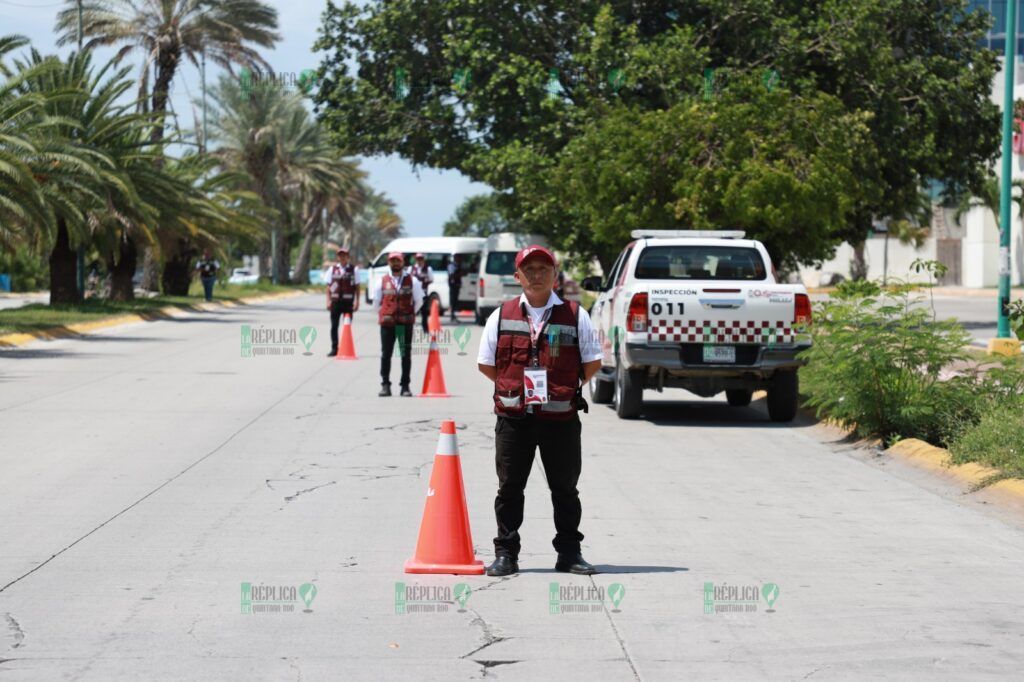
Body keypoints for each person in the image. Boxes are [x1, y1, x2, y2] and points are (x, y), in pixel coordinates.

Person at [476, 245, 603, 577]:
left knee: (565, 489)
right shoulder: (500, 315)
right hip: (514, 418)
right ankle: (506, 554)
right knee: (509, 489)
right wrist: (513, 388)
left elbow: (592, 363)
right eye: (528, 269)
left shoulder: (576, 315)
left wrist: (562, 390)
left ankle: (569, 553)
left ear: (555, 276)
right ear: (517, 276)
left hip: (560, 419)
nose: (536, 275)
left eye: (543, 269)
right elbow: (487, 364)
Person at [373, 252, 423, 397]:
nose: (395, 263)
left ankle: (405, 386)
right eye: (392, 261)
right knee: (385, 355)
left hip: (404, 324)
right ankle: (385, 385)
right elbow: (376, 303)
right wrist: (386, 314)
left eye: (398, 261)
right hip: (387, 325)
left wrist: (409, 313)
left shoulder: (412, 280)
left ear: (402, 262)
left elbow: (419, 301)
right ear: (389, 262)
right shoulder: (381, 281)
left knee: (405, 355)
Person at [325, 247, 359, 356]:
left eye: (344, 255)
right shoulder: (332, 269)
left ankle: (346, 347)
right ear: (338, 257)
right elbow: (328, 287)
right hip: (335, 303)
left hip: (348, 303)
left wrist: (357, 302)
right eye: (340, 255)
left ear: (348, 257)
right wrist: (328, 301)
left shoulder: (354, 270)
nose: (342, 257)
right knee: (334, 326)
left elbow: (357, 287)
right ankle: (334, 348)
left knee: (347, 326)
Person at [411, 252, 434, 333]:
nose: (419, 261)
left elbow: (431, 279)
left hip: (423, 292)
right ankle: (411, 327)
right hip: (413, 293)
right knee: (412, 310)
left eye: (421, 259)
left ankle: (425, 328)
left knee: (424, 312)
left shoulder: (428, 269)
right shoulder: (412, 268)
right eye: (418, 259)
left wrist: (425, 281)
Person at [447, 256, 462, 322]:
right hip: (453, 285)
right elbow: (451, 275)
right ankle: (452, 316)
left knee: (455, 301)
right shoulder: (451, 266)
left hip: (456, 285)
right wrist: (459, 274)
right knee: (453, 301)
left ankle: (453, 316)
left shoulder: (457, 265)